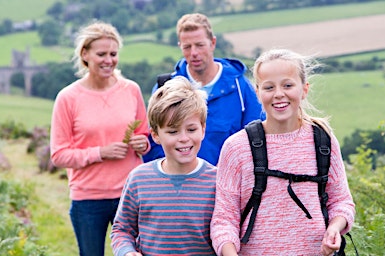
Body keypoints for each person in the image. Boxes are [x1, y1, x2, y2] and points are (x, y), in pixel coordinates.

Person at [210, 49, 356, 256]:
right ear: (258, 92)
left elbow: (341, 202)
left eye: (288, 85)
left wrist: (335, 228)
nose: (279, 94)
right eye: (269, 87)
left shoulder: (323, 141)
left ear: (304, 89)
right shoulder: (236, 148)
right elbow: (224, 219)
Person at [49, 21, 150, 256]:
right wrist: (100, 152)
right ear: (85, 54)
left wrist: (142, 144)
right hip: (88, 200)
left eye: (113, 54)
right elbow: (58, 155)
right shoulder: (68, 98)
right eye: (101, 54)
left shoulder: (131, 90)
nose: (109, 60)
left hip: (130, 194)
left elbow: (145, 136)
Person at [111, 76, 217, 256]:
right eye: (173, 131)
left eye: (191, 129)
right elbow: (122, 229)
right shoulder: (139, 179)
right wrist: (127, 252)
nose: (184, 138)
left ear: (203, 129)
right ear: (155, 135)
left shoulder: (218, 180)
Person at [142, 13, 264, 166]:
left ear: (212, 43)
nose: (194, 53)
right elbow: (154, 143)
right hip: (178, 182)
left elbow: (256, 137)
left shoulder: (240, 87)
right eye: (187, 47)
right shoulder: (165, 88)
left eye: (199, 45)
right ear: (180, 46)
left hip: (228, 183)